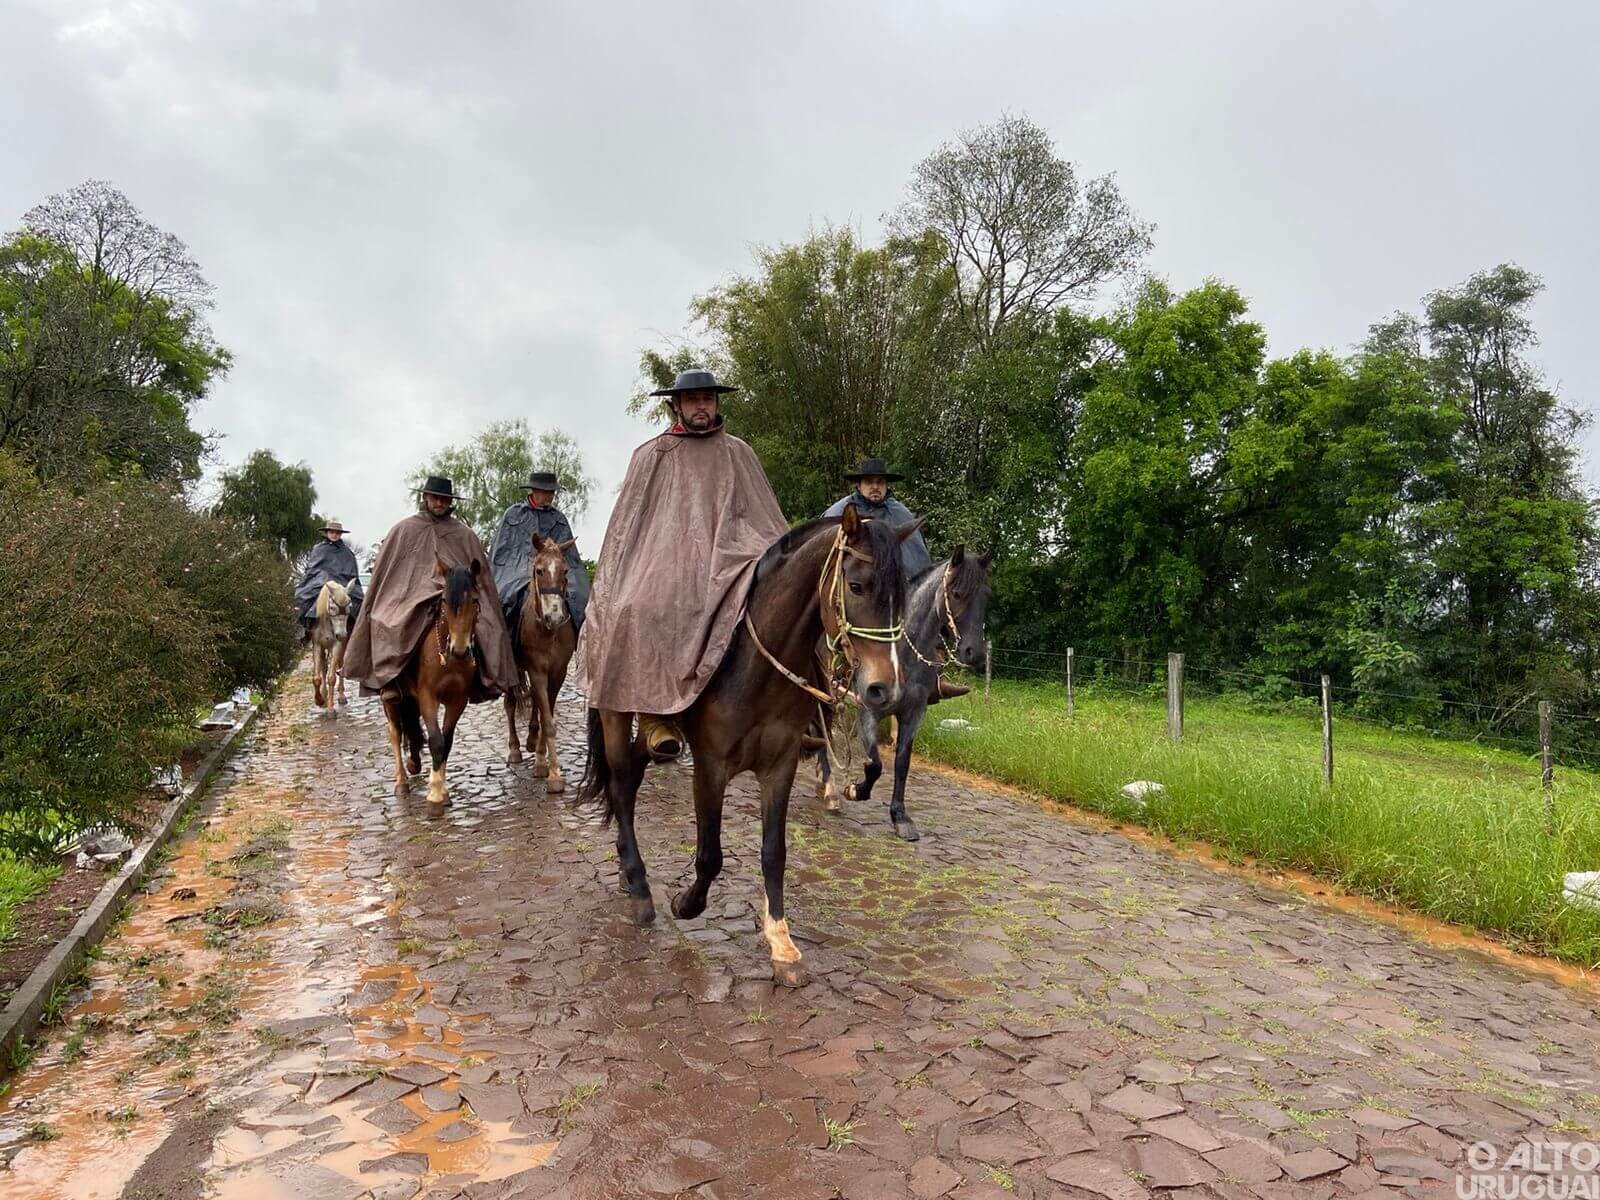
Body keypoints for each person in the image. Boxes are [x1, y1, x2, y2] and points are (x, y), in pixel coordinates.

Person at [575, 368, 788, 760]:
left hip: (732, 560)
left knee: (789, 604)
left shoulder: (739, 452)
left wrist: (753, 553)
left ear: (717, 403)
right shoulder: (651, 454)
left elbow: (764, 519)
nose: (701, 406)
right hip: (660, 566)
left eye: (707, 398)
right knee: (634, 608)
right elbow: (627, 531)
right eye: (693, 400)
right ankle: (655, 713)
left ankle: (800, 713)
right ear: (676, 405)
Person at [343, 476, 518, 701]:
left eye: (444, 499)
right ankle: (390, 681)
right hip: (409, 594)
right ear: (425, 497)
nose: (439, 502)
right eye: (435, 498)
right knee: (386, 620)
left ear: (450, 502)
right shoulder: (403, 530)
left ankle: (487, 680)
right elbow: (388, 575)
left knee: (489, 625)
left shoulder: (465, 534)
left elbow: (482, 578)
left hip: (458, 596)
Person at [489, 469, 590, 639]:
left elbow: (570, 557)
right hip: (515, 569)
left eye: (551, 492)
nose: (549, 496)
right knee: (506, 597)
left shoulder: (559, 519)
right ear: (533, 491)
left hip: (554, 568)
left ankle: (583, 644)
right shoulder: (513, 514)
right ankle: (504, 646)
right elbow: (501, 552)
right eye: (545, 492)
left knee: (580, 597)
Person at [823, 457, 933, 580]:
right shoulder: (839, 512)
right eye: (869, 482)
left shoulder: (901, 514)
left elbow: (918, 562)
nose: (875, 486)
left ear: (886, 485)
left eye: (880, 482)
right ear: (859, 485)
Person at [293, 519, 364, 641]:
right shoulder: (318, 549)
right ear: (327, 533)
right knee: (303, 596)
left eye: (337, 533)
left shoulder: (347, 552)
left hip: (342, 582)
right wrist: (323, 578)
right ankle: (304, 628)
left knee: (359, 600)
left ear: (340, 534)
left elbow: (352, 572)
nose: (334, 535)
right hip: (321, 580)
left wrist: (342, 582)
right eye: (332, 532)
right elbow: (312, 568)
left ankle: (357, 632)